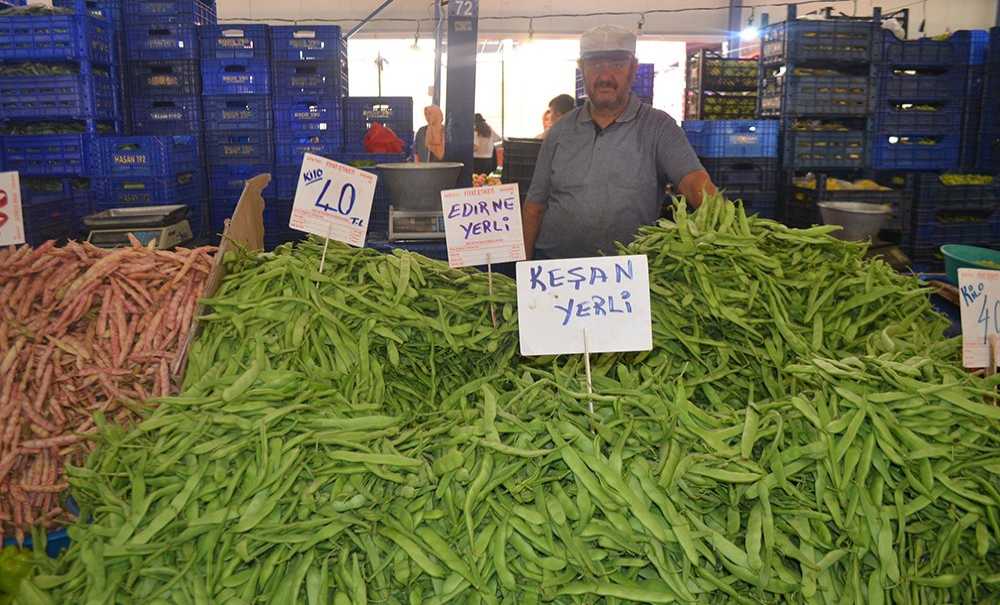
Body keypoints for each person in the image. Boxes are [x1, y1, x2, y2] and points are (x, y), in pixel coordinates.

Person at [523, 25, 716, 260]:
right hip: (556, 273)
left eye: (616, 64)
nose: (605, 76)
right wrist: (520, 269)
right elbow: (535, 206)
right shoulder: (560, 131)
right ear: (581, 68)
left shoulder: (658, 127)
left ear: (633, 68)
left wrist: (730, 228)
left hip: (626, 278)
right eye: (595, 64)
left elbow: (694, 182)